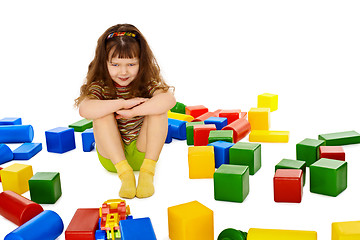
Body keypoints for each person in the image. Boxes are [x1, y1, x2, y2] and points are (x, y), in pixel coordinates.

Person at [75, 24, 176, 199]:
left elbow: (169, 100)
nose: (123, 71)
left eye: (131, 64)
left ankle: (147, 172)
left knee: (159, 109)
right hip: (113, 159)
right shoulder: (100, 85)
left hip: (143, 154)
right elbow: (85, 109)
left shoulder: (146, 82)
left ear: (141, 63)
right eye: (115, 64)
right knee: (100, 113)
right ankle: (126, 175)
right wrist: (122, 103)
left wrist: (133, 111)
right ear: (104, 63)